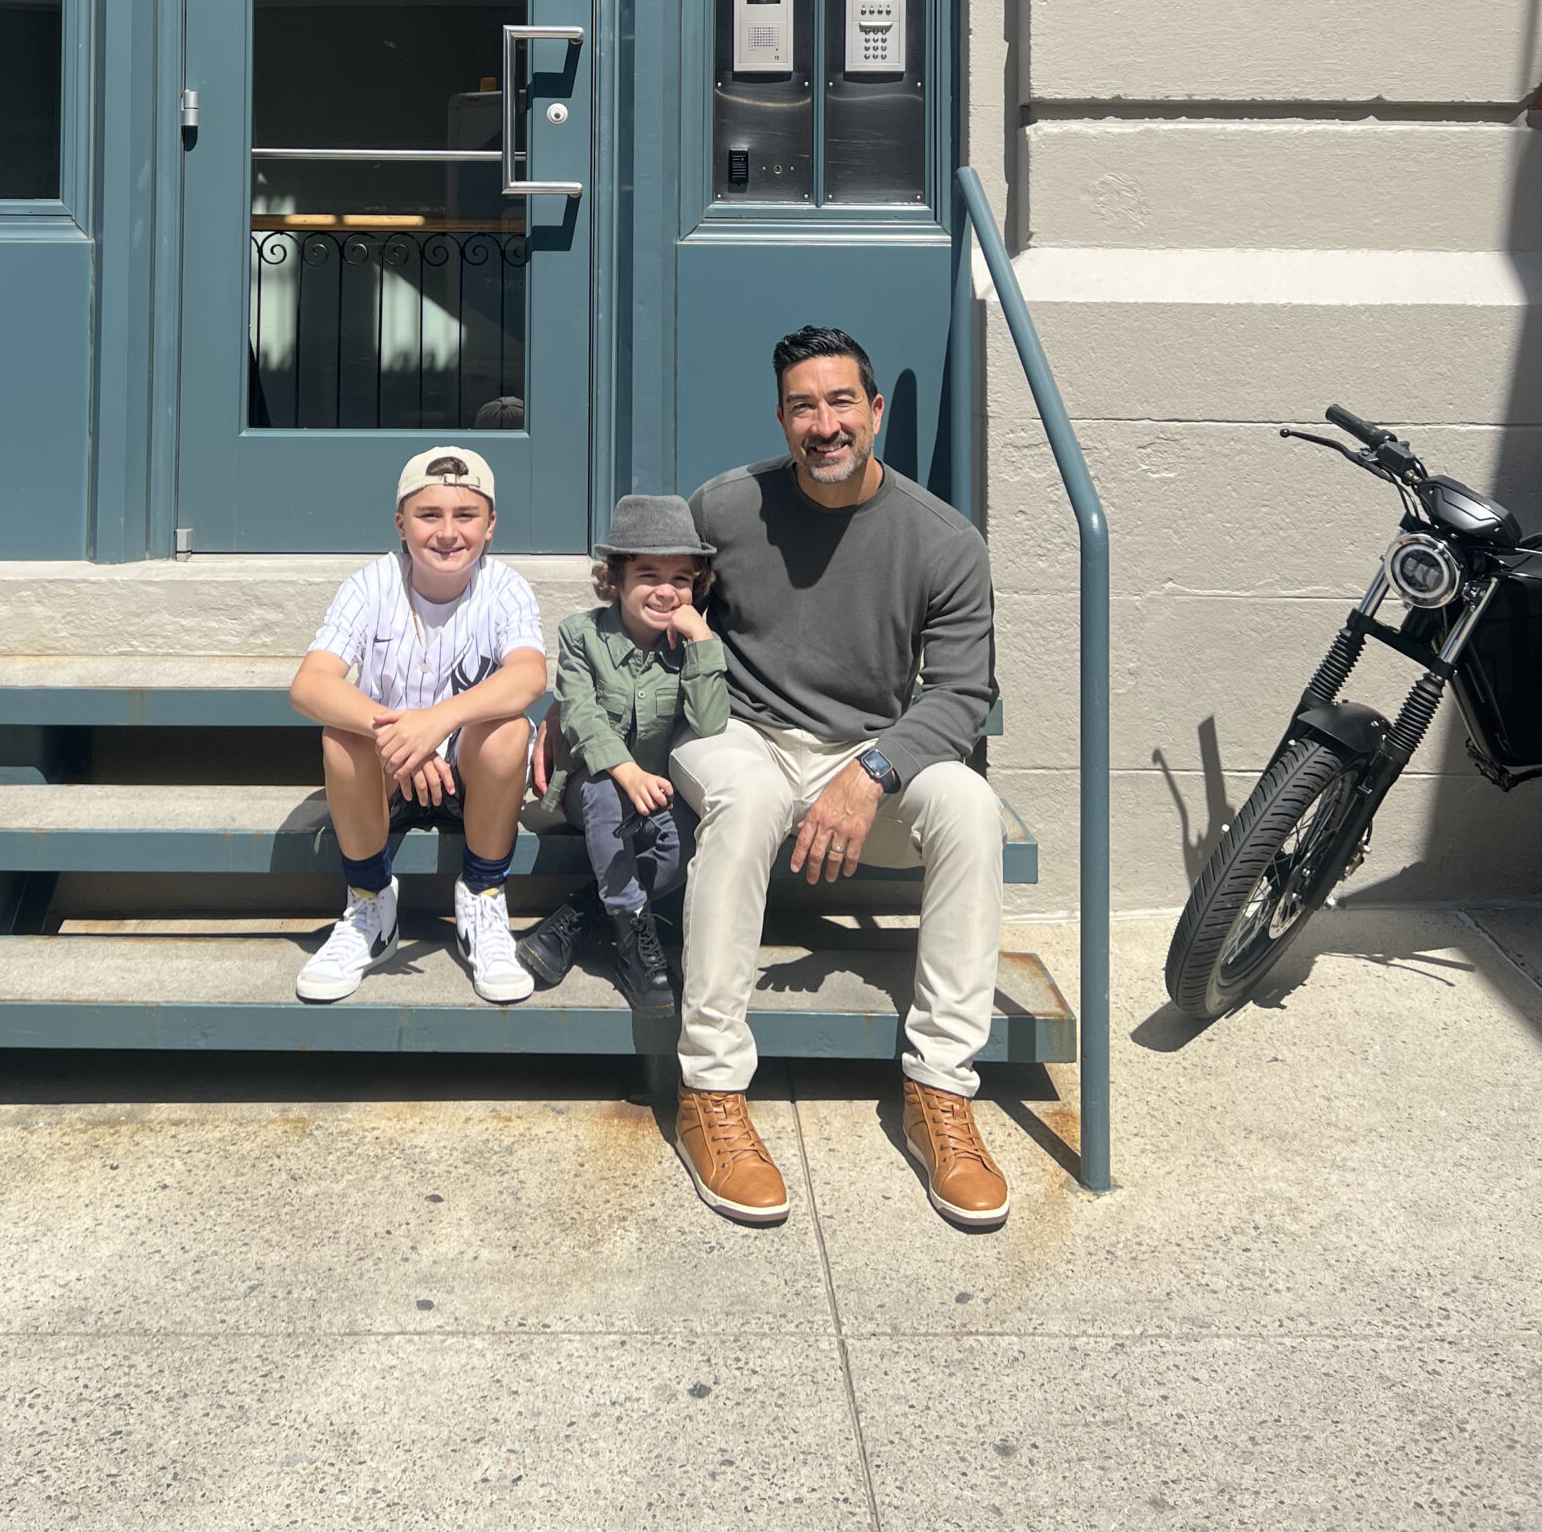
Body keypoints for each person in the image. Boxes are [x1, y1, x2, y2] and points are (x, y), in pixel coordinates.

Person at [669, 326, 1009, 1231]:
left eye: (841, 402)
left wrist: (875, 769)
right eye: (803, 406)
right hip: (741, 735)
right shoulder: (725, 508)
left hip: (866, 754)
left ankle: (941, 1088)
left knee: (970, 806)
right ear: (781, 419)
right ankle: (710, 1088)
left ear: (875, 411)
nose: (825, 424)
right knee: (744, 799)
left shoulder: (942, 539)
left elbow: (965, 691)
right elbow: (648, 610)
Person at [289, 445, 547, 1006]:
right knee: (342, 733)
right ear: (401, 524)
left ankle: (482, 895)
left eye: (466, 516)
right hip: (388, 776)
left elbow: (529, 675)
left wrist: (437, 722)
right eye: (429, 515)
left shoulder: (504, 588)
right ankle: (370, 905)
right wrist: (396, 734)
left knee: (507, 729)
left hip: (473, 777)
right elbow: (309, 684)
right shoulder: (370, 585)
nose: (448, 533)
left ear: (491, 524)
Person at [516, 496, 730, 1013]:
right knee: (605, 793)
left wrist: (702, 643)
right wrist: (627, 772)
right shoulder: (580, 635)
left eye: (682, 578)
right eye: (648, 574)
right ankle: (637, 948)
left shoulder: (690, 647)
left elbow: (710, 724)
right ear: (616, 578)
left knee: (686, 839)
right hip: (587, 789)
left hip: (655, 798)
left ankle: (579, 916)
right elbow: (582, 716)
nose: (666, 590)